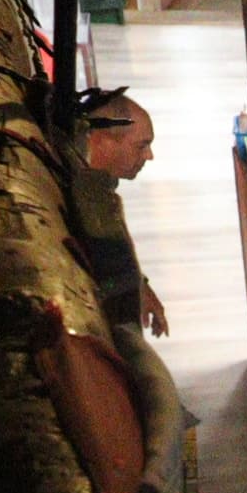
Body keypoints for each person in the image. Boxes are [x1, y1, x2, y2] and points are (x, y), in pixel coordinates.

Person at [69, 89, 164, 335]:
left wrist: (139, 283)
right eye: (142, 145)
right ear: (102, 139)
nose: (149, 156)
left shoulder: (86, 181)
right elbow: (117, 298)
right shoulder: (90, 197)